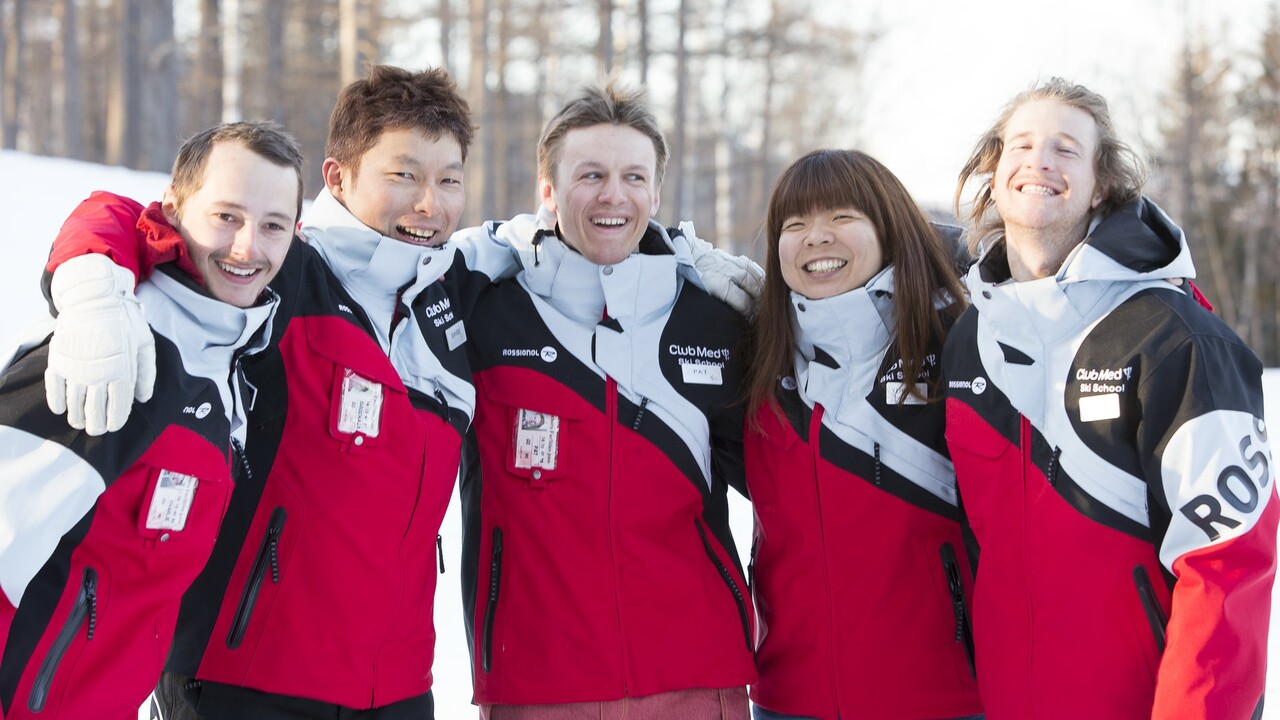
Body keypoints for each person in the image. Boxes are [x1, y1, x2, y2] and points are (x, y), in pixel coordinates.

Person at [37, 65, 519, 719]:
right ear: (338, 177)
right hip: (246, 676)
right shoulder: (277, 269)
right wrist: (92, 291)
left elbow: (550, 241)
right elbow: (126, 216)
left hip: (399, 688)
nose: (428, 204)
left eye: (449, 179)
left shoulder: (455, 298)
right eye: (403, 175)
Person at [944, 77, 1277, 720]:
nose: (1040, 160)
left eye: (1066, 149)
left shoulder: (1176, 339)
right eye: (1022, 144)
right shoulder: (969, 341)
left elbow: (1229, 564)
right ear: (995, 173)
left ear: (1102, 186)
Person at [454, 81, 756, 719]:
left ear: (654, 192)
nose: (613, 195)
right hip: (535, 679)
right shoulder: (487, 313)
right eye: (590, 174)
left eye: (633, 176)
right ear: (548, 191)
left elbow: (787, 479)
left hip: (696, 678)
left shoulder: (712, 320)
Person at [0, 121, 299, 719]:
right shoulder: (110, 347)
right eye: (226, 217)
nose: (248, 249)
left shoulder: (227, 355)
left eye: (273, 226)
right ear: (173, 209)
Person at [742, 149, 982, 720]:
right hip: (789, 700)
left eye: (842, 218)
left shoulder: (958, 339)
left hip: (941, 697)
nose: (816, 238)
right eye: (795, 225)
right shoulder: (757, 357)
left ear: (888, 227)